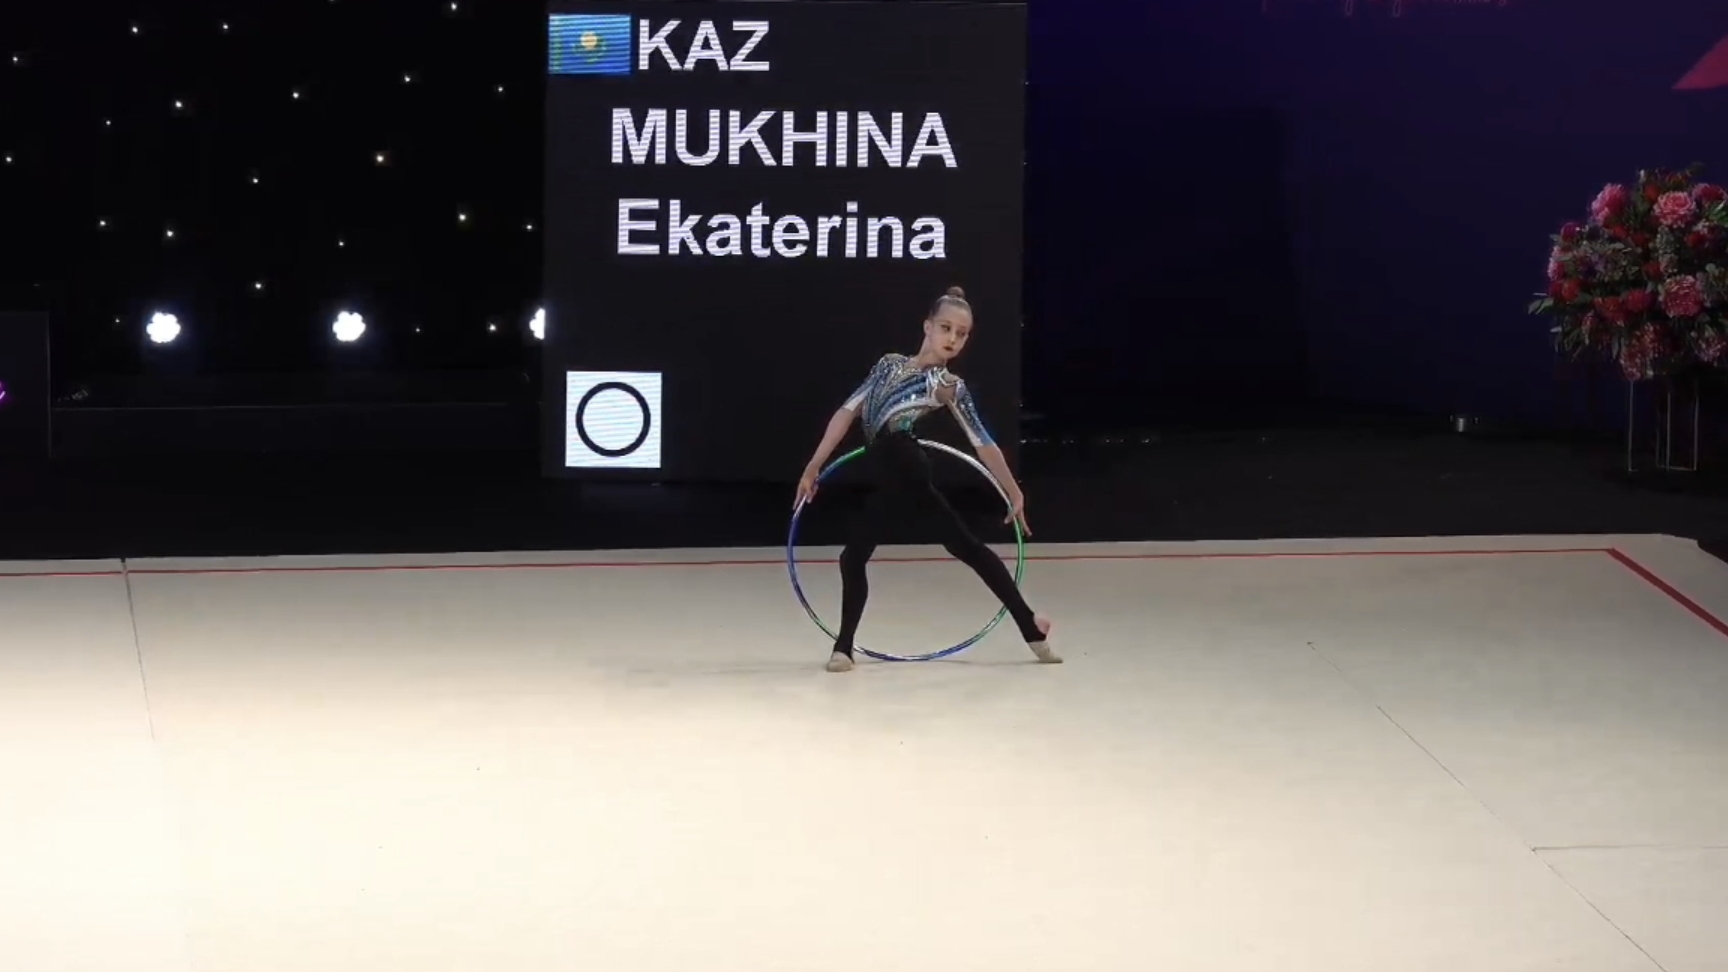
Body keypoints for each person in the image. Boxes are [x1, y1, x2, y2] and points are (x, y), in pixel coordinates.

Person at [796, 286, 1060, 673]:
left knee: (855, 556)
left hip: (906, 465)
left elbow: (982, 443)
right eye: (945, 328)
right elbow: (846, 412)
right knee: (964, 548)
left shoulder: (946, 385)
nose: (953, 338)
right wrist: (813, 465)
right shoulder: (888, 365)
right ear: (928, 326)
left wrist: (1013, 490)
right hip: (894, 473)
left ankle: (844, 647)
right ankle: (1030, 624)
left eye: (962, 333)